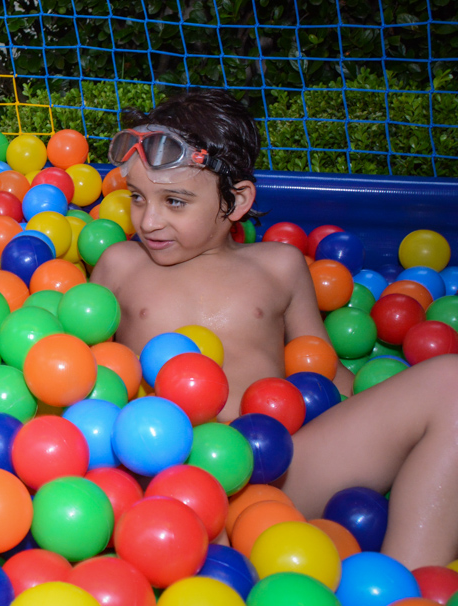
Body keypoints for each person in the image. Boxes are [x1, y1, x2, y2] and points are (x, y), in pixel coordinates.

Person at [91, 90, 458, 569]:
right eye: (137, 198)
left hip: (276, 471)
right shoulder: (120, 265)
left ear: (237, 201)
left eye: (175, 201)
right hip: (162, 477)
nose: (149, 220)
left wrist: (366, 405)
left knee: (449, 381)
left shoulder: (279, 266)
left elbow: (320, 369)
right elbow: (88, 378)